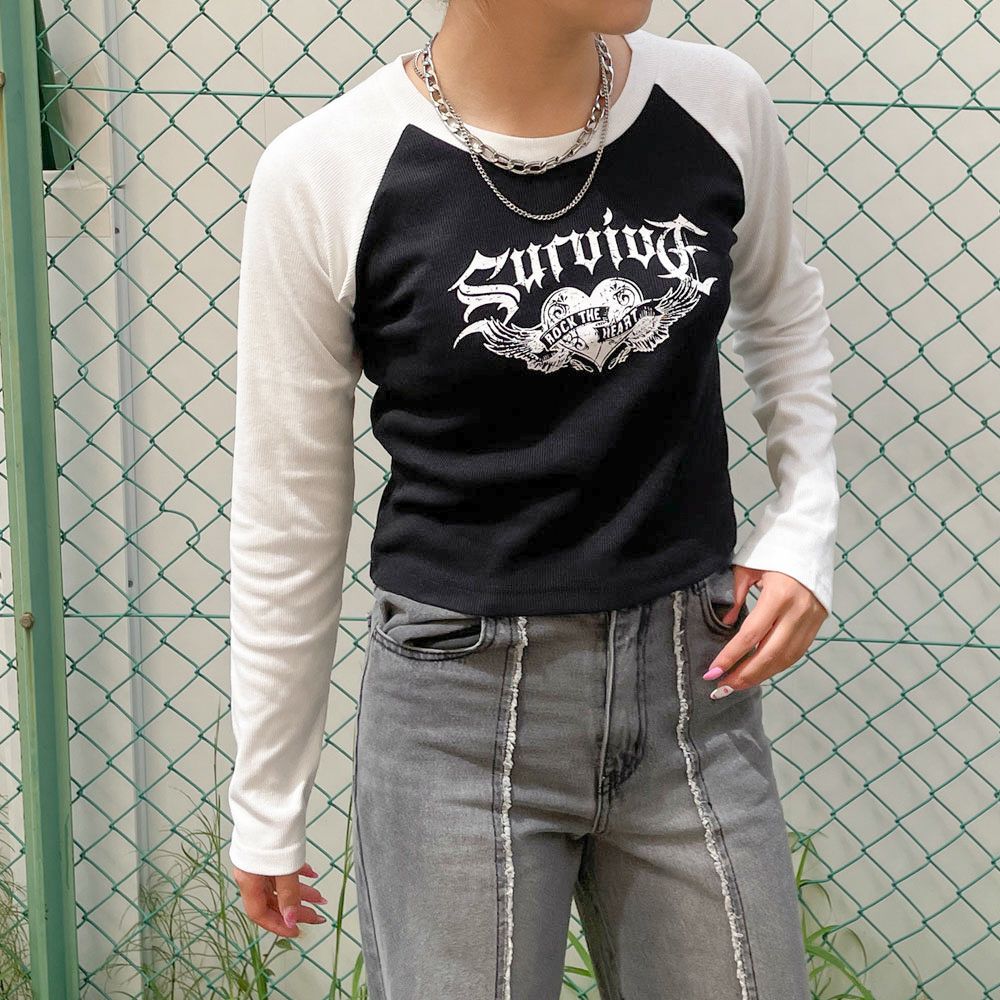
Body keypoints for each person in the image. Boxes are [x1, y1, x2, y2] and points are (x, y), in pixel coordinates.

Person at [227, 1, 839, 997]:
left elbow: (782, 308)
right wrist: (267, 798)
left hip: (692, 695)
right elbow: (287, 509)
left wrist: (803, 525)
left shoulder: (717, 101)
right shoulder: (327, 171)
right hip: (455, 722)